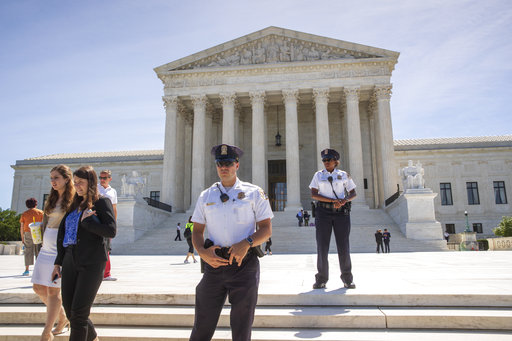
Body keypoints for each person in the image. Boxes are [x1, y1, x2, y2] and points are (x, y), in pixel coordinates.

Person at [189, 144, 273, 341]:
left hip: (244, 265)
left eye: (227, 163)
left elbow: (266, 229)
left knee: (242, 327)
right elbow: (197, 230)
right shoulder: (206, 195)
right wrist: (201, 252)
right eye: (219, 164)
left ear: (237, 165)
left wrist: (247, 243)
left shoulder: (253, 193)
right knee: (202, 325)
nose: (223, 167)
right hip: (214, 263)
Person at [52, 165, 116, 341]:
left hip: (92, 261)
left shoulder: (102, 202)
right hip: (70, 259)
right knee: (70, 309)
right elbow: (63, 235)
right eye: (75, 182)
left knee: (79, 314)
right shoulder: (74, 204)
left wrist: (89, 224)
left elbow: (111, 230)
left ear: (91, 182)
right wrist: (58, 262)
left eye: (80, 182)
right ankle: (93, 338)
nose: (77, 186)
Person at [32, 165, 74, 341]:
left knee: (53, 291)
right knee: (38, 287)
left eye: (56, 177)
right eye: (51, 178)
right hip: (45, 247)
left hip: (60, 249)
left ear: (66, 179)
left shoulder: (73, 200)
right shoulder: (51, 198)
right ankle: (62, 317)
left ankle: (46, 332)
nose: (53, 181)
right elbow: (46, 220)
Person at [309, 148, 357, 290]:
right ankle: (321, 279)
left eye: (328, 160)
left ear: (336, 161)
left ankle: (347, 279)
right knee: (322, 247)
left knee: (343, 246)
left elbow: (353, 192)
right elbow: (313, 193)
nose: (326, 162)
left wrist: (345, 200)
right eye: (324, 160)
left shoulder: (343, 175)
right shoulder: (318, 175)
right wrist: (332, 201)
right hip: (323, 212)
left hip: (341, 213)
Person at [97, 169, 117, 282]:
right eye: (100, 178)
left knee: (107, 248)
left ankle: (106, 274)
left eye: (104, 178)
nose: (102, 180)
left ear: (110, 178)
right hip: (96, 220)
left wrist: (114, 223)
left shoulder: (112, 191)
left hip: (107, 222)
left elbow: (114, 208)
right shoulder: (94, 189)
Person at [20, 197, 44, 276]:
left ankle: (27, 270)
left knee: (28, 251)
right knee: (39, 250)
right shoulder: (41, 212)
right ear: (36, 204)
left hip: (28, 232)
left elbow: (22, 227)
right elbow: (44, 225)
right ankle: (39, 270)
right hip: (38, 232)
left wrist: (22, 238)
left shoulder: (24, 214)